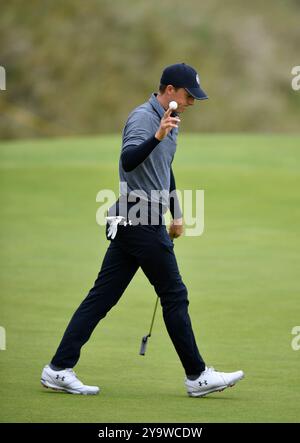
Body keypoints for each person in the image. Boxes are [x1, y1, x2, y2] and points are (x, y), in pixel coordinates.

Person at [41, 63, 244, 397]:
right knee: (174, 295)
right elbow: (129, 160)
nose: (192, 102)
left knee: (101, 298)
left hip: (138, 220)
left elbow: (165, 168)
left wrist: (176, 213)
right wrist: (157, 135)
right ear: (169, 91)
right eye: (188, 95)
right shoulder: (144, 119)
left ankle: (58, 368)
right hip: (139, 221)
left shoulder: (170, 120)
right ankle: (197, 376)